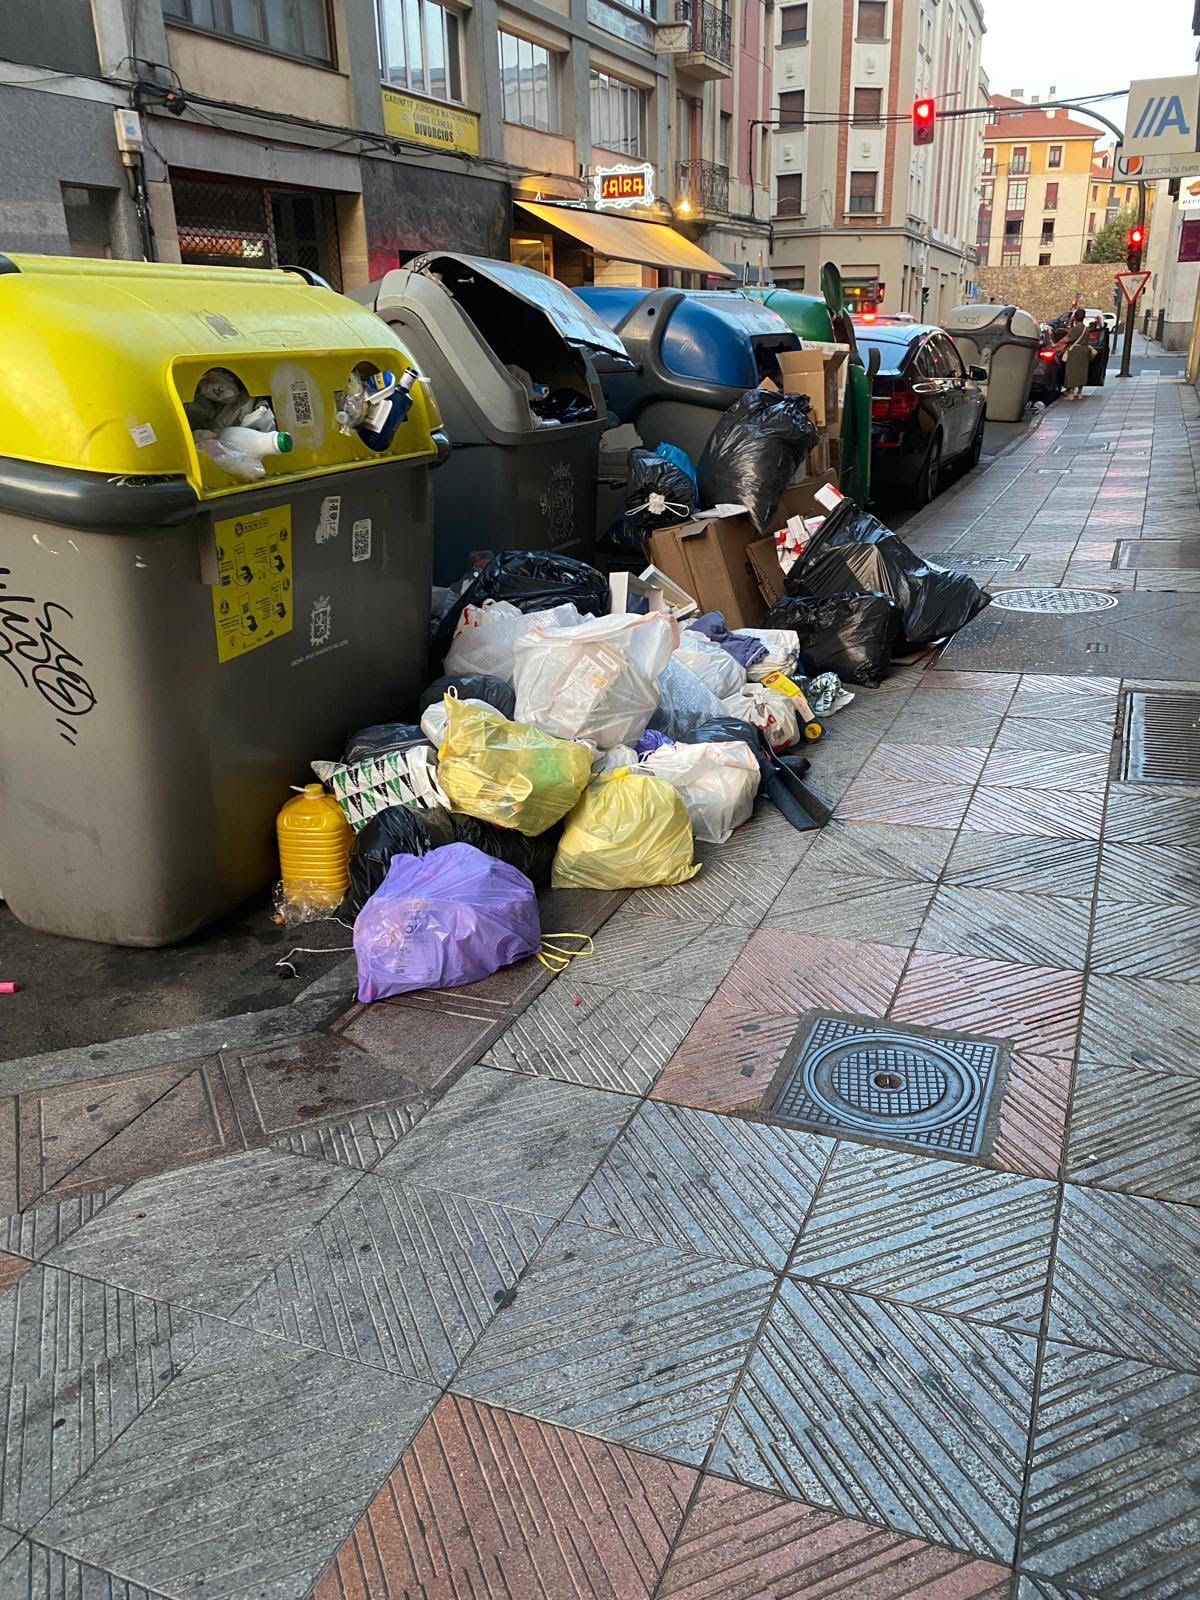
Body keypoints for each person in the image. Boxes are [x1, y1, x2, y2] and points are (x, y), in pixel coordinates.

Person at [1062, 308, 1090, 400]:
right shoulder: (1086, 329)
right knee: (1082, 371)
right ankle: (1080, 393)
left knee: (1072, 371)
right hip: (1084, 350)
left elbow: (1067, 339)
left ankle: (1071, 393)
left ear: (1075, 317)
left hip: (1075, 351)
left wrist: (1056, 345)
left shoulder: (1076, 328)